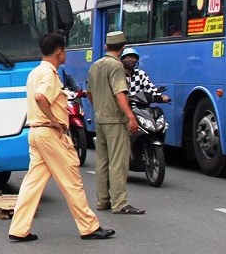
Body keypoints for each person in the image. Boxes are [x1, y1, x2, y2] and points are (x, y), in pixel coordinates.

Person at [8, 33, 115, 242]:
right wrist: (55, 121)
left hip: (36, 132)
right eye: (64, 50)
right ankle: (89, 227)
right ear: (59, 52)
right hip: (50, 132)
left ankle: (19, 228)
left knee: (32, 183)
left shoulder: (34, 72)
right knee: (72, 180)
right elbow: (41, 97)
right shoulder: (50, 74)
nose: (65, 54)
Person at [87, 31, 143, 215]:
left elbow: (90, 94)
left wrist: (99, 109)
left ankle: (102, 201)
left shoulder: (95, 65)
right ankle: (120, 203)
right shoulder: (117, 67)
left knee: (102, 161)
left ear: (106, 47)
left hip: (100, 119)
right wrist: (130, 117)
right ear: (123, 47)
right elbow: (120, 93)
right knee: (118, 162)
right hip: (115, 121)